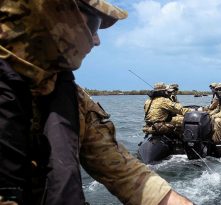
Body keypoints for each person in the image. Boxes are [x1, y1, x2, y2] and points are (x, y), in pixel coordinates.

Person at [0, 0, 192, 205]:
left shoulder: (73, 102)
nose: (96, 40)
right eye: (92, 25)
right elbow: (179, 111)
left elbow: (122, 171)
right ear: (50, 16)